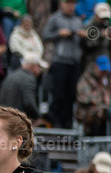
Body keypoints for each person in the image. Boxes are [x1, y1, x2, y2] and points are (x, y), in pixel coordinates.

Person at [41, 0, 84, 129]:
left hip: (75, 62)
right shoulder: (55, 19)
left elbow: (85, 41)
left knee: (71, 95)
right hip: (60, 61)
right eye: (68, 3)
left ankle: (67, 123)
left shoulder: (78, 21)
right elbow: (45, 35)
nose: (71, 6)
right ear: (61, 4)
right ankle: (56, 122)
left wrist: (83, 35)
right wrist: (58, 33)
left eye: (73, 4)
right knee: (58, 93)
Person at [0, 52, 46, 120]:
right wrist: (37, 117)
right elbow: (29, 103)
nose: (40, 71)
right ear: (33, 66)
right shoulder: (29, 79)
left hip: (4, 117)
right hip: (17, 120)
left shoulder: (11, 76)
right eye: (39, 67)